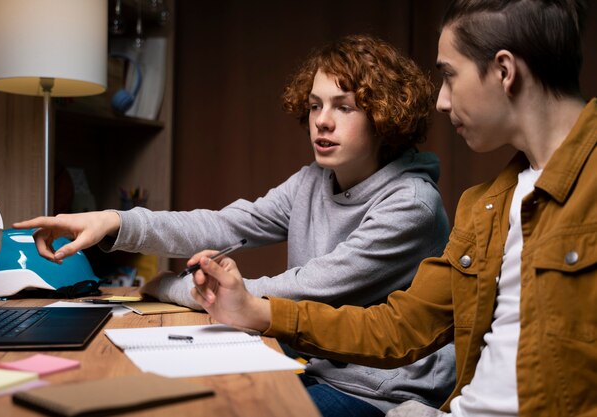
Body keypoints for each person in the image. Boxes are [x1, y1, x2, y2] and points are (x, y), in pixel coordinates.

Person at [184, 1, 596, 416]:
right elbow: (401, 326)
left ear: (504, 72)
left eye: (450, 76)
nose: (442, 101)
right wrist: (258, 310)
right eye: (316, 105)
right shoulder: (486, 204)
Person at [14, 35, 455, 416]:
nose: (322, 120)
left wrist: (164, 287)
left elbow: (298, 288)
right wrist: (114, 220)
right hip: (311, 366)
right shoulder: (312, 181)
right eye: (316, 104)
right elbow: (224, 225)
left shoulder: (410, 204)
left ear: (383, 116)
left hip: (380, 390)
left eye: (344, 107)